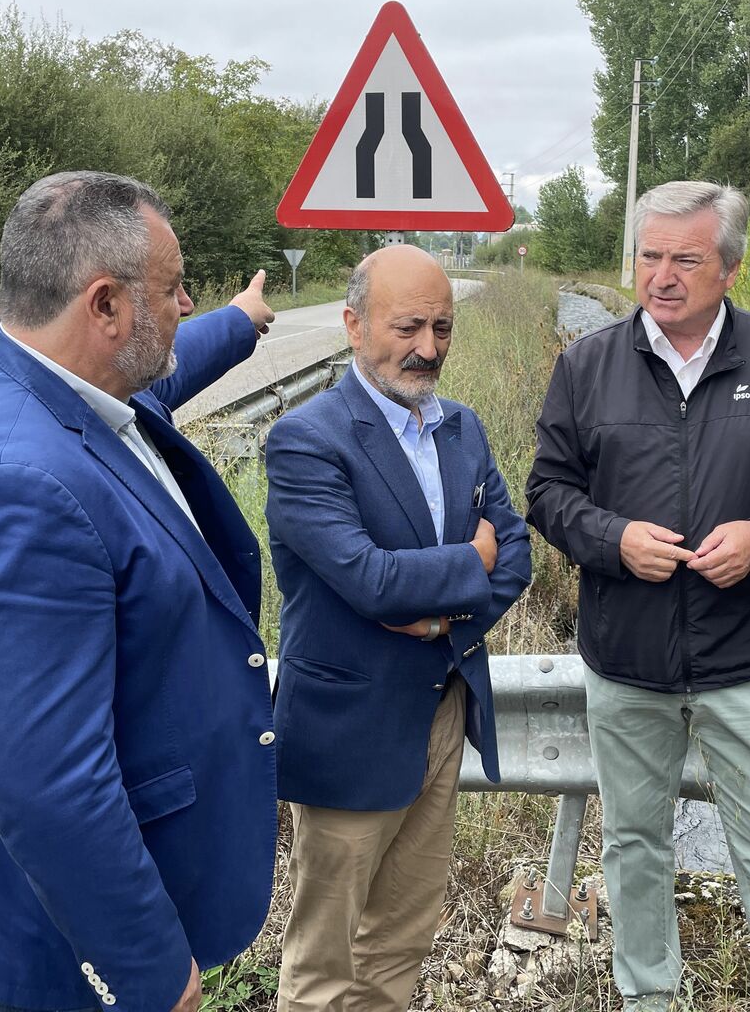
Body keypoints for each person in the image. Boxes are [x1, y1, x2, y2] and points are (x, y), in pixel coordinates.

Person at [0, 171, 280, 1012]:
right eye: (174, 289)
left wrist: (241, 325)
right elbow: (50, 782)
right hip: (70, 945)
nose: (187, 303)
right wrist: (147, 970)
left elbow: (165, 378)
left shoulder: (54, 386)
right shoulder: (16, 487)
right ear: (104, 305)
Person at [526, 180, 750, 1012]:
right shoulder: (586, 365)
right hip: (626, 664)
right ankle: (647, 998)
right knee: (635, 846)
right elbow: (548, 492)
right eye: (649, 255)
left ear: (730, 270)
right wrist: (612, 540)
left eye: (685, 258)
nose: (661, 275)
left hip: (747, 666)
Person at [265, 245, 532, 1012]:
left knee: (403, 935)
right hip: (352, 725)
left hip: (440, 707)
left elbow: (513, 553)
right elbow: (368, 579)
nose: (428, 348)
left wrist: (448, 605)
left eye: (443, 327)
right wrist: (467, 564)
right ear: (353, 325)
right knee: (326, 955)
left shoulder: (463, 428)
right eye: (408, 326)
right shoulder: (307, 440)